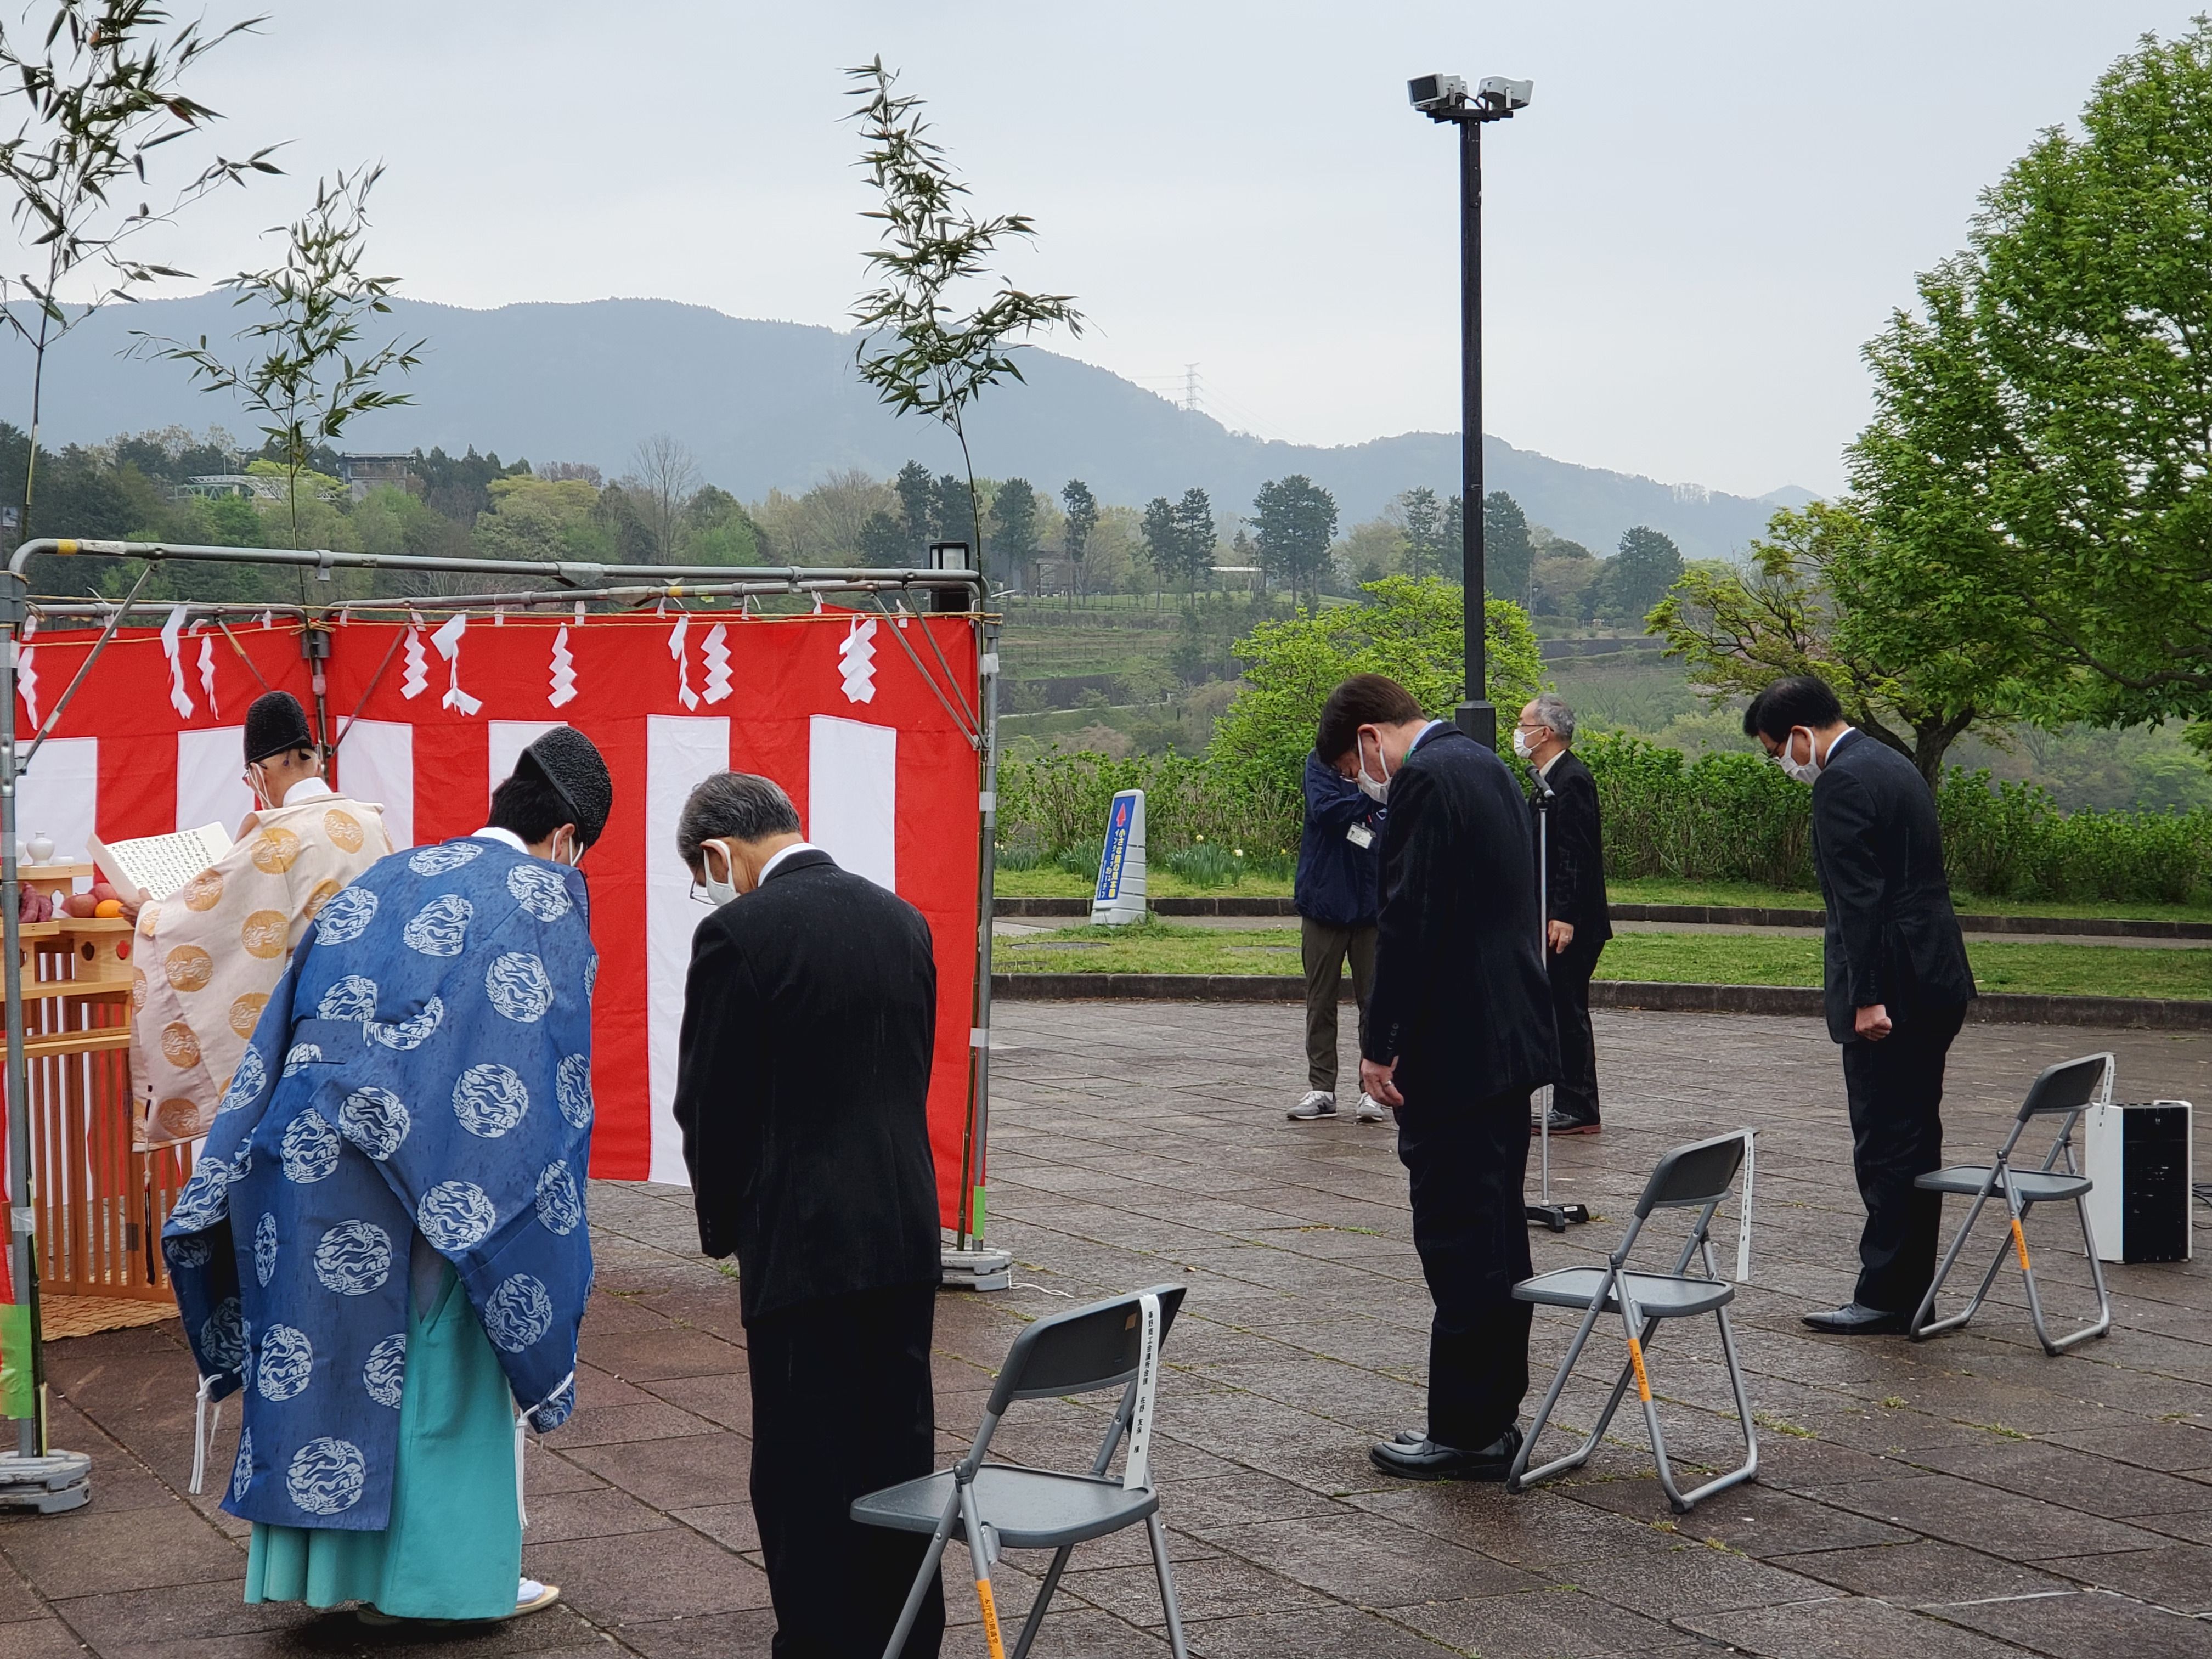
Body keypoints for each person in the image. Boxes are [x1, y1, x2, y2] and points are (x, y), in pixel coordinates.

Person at [163, 726, 613, 1625]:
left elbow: (289, 1019)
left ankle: (333, 1577)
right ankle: (445, 1579)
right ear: (567, 836)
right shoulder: (544, 894)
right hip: (424, 1165)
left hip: (301, 1147)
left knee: (330, 1359)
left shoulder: (390, 876)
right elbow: (537, 1073)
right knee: (444, 1353)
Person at [672, 771, 944, 1659]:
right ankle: (905, 1636)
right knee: (898, 1455)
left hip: (802, 1244)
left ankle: (820, 1638)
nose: (704, 890)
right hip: (904, 1230)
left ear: (720, 852)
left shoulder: (737, 934)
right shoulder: (903, 921)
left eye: (699, 871)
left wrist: (728, 1227)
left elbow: (709, 1106)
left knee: (803, 1468)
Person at [1323, 676, 1556, 1481]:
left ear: (1366, 739)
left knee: (1460, 1242)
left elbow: (1410, 920)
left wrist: (1380, 1043)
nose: (1361, 783)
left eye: (1354, 771)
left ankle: (1464, 1431)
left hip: (1455, 1048)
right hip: (1507, 1039)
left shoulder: (1421, 777)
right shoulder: (1483, 761)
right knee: (1500, 1238)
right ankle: (1496, 1414)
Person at [1745, 675, 1974, 1335]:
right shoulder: (1890, 762)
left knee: (1886, 1142)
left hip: (1893, 987)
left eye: (1775, 752)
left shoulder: (1842, 783)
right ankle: (1910, 1285)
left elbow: (1860, 902)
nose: (1782, 766)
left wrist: (1866, 997)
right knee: (1916, 1135)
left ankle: (1885, 1294)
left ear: (1798, 735)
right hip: (1935, 972)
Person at [129, 690, 392, 1149]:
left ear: (262, 770)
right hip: (374, 1025)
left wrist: (151, 915)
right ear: (311, 757)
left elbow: (208, 923)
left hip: (306, 1034)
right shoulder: (371, 822)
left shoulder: (278, 836)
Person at [1515, 693, 1612, 1136]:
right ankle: (1566, 1098)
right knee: (1556, 1008)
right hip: (1550, 915)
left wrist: (1564, 914)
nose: (1518, 733)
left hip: (1571, 921)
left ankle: (1577, 1104)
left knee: (1568, 1011)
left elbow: (1576, 851)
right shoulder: (1545, 780)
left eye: (1523, 724)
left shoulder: (1571, 780)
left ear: (1545, 733)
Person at [1288, 748, 1386, 1122]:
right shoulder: (1319, 761)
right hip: (1323, 903)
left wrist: (1371, 797)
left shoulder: (1384, 762)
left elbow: (1391, 820)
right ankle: (1322, 1088)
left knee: (1375, 1003)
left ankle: (1373, 1093)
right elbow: (1326, 811)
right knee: (1320, 999)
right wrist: (1368, 794)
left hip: (1372, 906)